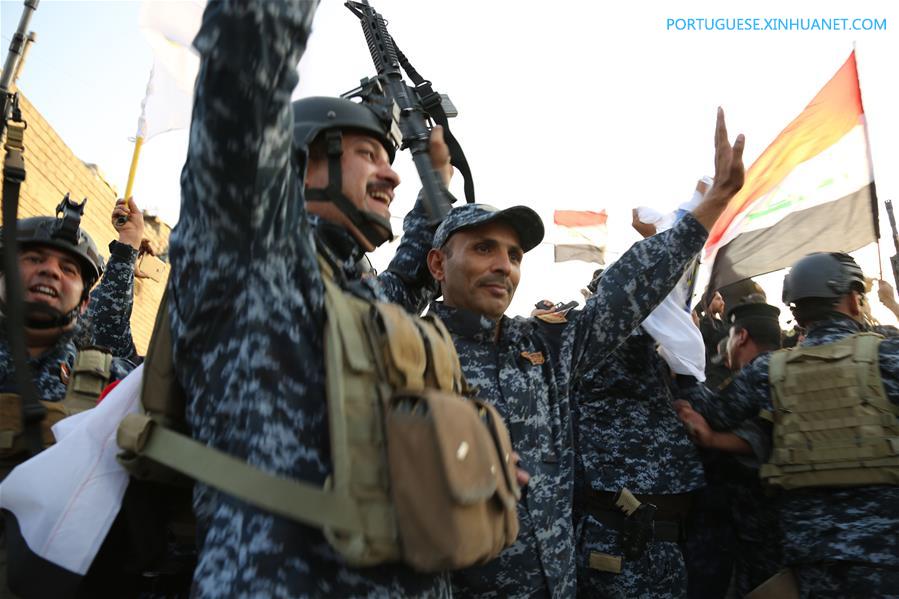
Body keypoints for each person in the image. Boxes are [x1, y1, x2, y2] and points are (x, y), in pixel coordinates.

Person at [166, 2, 462, 596]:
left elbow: (405, 281)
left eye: (388, 158)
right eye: (368, 156)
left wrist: (439, 188)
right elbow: (244, 74)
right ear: (301, 161)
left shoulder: (357, 288)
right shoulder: (251, 254)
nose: (392, 175)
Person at [426, 108, 746, 598]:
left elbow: (627, 290)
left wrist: (709, 209)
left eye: (513, 256)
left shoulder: (541, 346)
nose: (503, 267)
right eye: (483, 249)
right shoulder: (410, 351)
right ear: (437, 263)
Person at [674, 252, 899, 598]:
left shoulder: (768, 371)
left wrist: (680, 356)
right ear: (855, 301)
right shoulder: (887, 357)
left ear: (795, 311)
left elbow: (715, 413)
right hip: (886, 549)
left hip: (808, 552)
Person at [676, 302, 785, 597]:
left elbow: (716, 413)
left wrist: (683, 364)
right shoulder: (794, 365)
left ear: (741, 337)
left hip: (759, 519)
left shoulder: (762, 369)